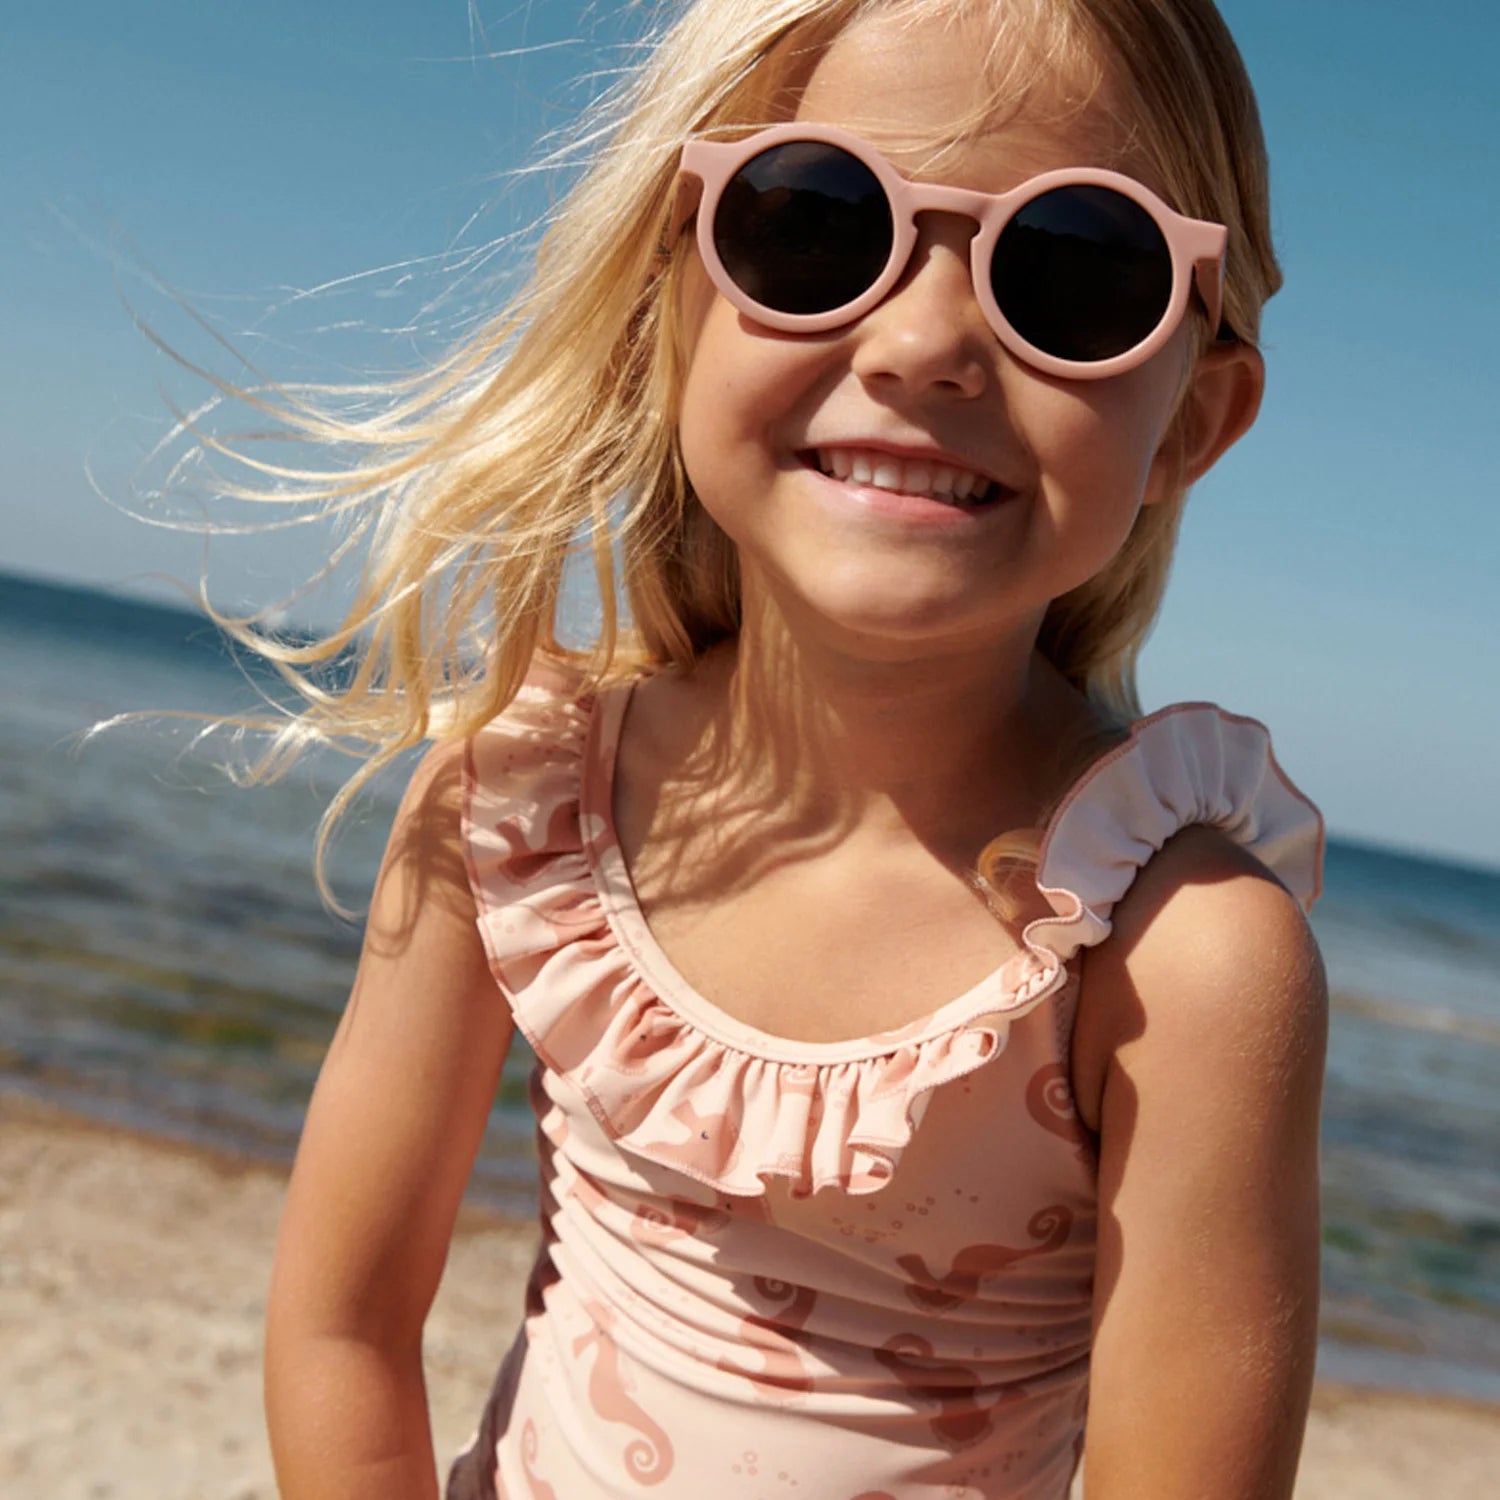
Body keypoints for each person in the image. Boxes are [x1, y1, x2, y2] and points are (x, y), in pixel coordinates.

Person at [259, 1, 1329, 1496]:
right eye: (817, 225)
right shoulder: (524, 804)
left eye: (1076, 274)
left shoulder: (1177, 960)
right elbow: (343, 1329)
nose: (925, 343)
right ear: (669, 304)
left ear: (1188, 426)